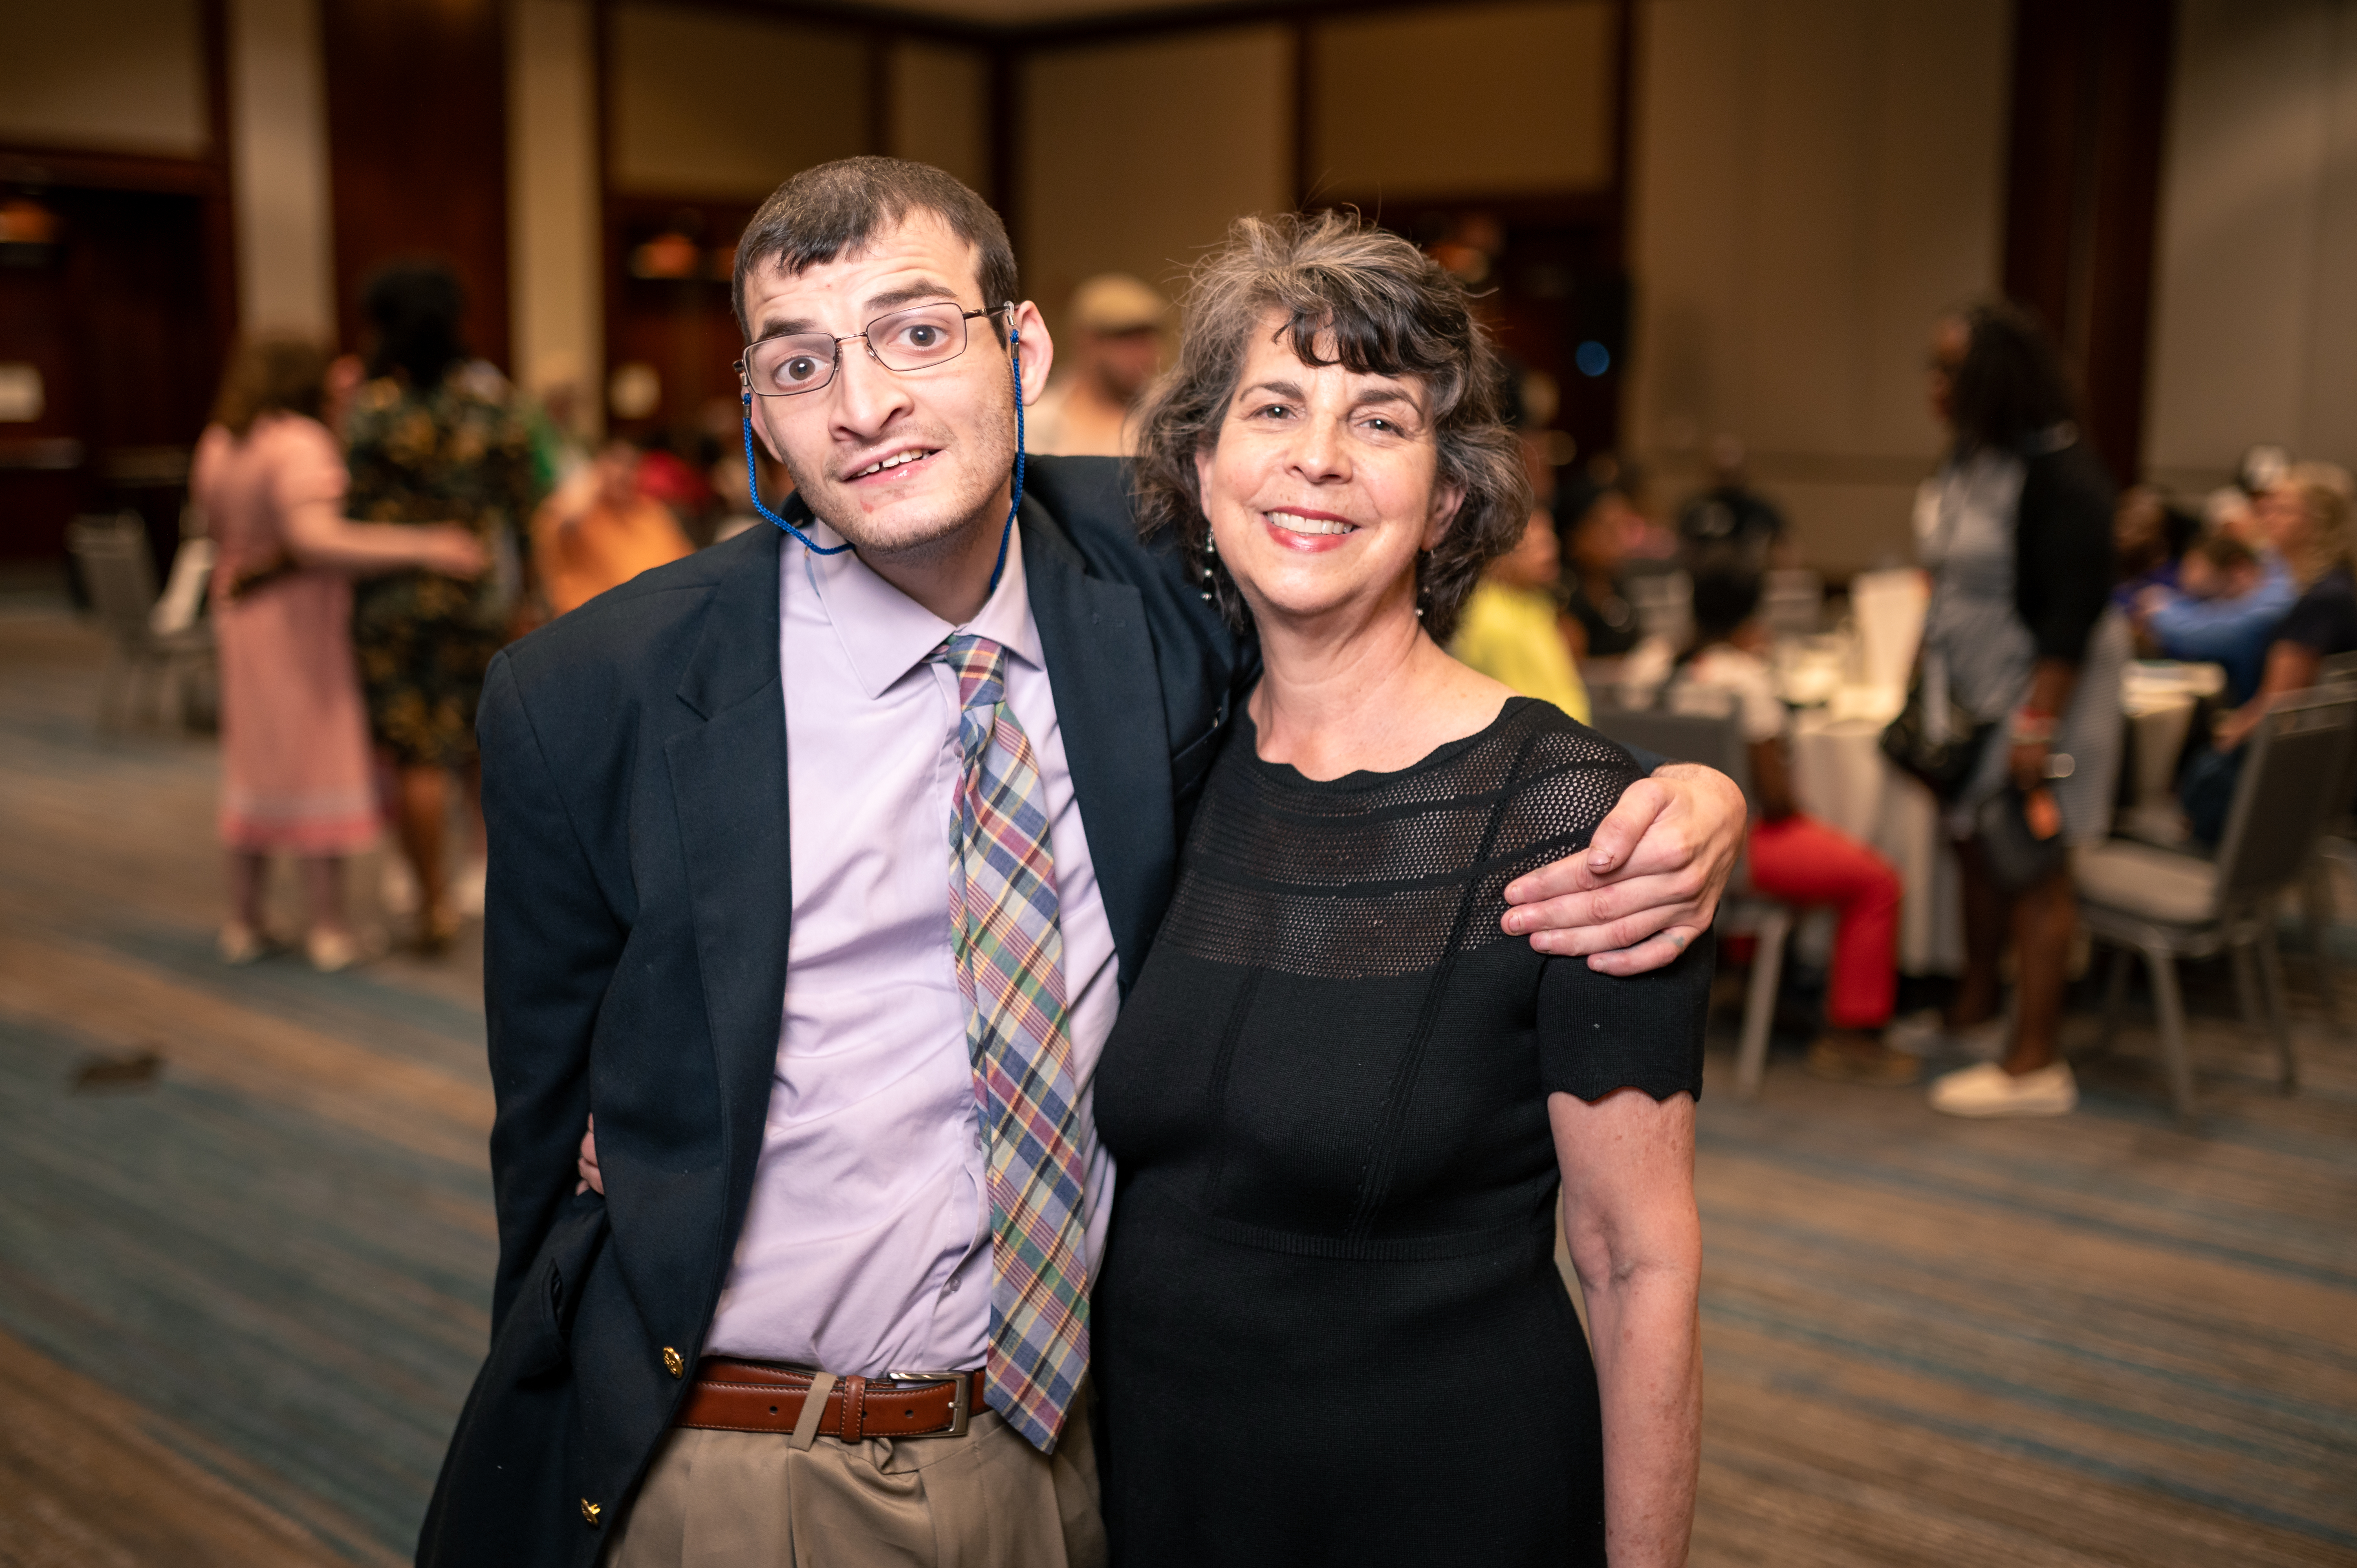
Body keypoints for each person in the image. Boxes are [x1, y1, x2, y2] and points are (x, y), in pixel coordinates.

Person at [416, 158, 1748, 1568]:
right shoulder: (593, 694)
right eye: (801, 361)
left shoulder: (1151, 596)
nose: (864, 405)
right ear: (758, 406)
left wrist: (1695, 793)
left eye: (918, 332)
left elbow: (1365, 633)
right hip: (760, 1461)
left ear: (1024, 349)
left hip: (1082, 1467)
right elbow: (540, 1168)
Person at [1095, 211, 1708, 1568]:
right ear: (1201, 468)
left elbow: (1636, 1260)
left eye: (1379, 419)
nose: (1316, 456)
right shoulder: (1161, 767)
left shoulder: (1573, 815)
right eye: (1273, 406)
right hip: (1161, 1483)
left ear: (1444, 500)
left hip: (1440, 1492)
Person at [192, 336, 487, 971]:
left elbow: (213, 528)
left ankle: (245, 920)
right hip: (298, 622)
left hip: (239, 611)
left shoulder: (222, 438)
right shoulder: (298, 440)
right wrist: (427, 545)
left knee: (254, 761)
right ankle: (328, 927)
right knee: (316, 758)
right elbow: (316, 539)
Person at [1912, 301, 2127, 1119]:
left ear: (1994, 378)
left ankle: (2036, 1062)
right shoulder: (1973, 457)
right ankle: (1975, 1012)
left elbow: (2073, 612)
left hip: (2048, 698)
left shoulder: (2062, 472)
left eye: (1948, 370)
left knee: (2037, 866)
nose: (1933, 385)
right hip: (1977, 696)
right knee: (1977, 847)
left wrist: (2039, 725)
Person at [344, 261, 540, 949]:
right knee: (480, 746)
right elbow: (523, 510)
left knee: (417, 754)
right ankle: (485, 876)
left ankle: (430, 904)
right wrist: (529, 595)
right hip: (476, 597)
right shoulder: (493, 404)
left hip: (393, 604)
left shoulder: (370, 410)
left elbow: (347, 514)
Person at [1668, 566, 1910, 1082]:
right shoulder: (1747, 682)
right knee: (1878, 881)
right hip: (1744, 845)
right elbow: (1776, 800)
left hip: (1675, 841)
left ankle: (1746, 978)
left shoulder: (1664, 668)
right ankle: (1852, 1032)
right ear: (1752, 618)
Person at [2181, 464, 2357, 842]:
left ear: (2318, 522)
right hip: (2317, 769)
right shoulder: (2333, 586)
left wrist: (2226, 737)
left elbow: (2278, 706)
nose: (2267, 517)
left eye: (2283, 509)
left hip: (2288, 777)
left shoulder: (2325, 599)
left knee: (2200, 765)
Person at [1450, 505, 1592, 720]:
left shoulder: (1534, 603)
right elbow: (1523, 712)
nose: (1550, 553)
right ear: (1500, 554)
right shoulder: (1494, 620)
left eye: (1550, 541)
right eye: (1535, 546)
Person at [529, 438, 694, 618]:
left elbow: (686, 567)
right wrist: (588, 486)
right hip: (590, 623)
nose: (624, 473)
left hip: (655, 618)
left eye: (632, 465)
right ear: (598, 466)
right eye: (617, 462)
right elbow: (559, 524)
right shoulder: (579, 514)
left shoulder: (653, 512)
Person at [2135, 531, 2293, 705]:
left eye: (2195, 567)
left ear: (2238, 569)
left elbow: (2220, 631)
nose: (2184, 577)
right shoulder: (2245, 599)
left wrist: (2160, 615)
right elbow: (2208, 613)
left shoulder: (2275, 601)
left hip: (2269, 715)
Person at [1021, 272, 1168, 456]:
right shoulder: (1037, 423)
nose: (1143, 354)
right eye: (1128, 339)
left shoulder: (1168, 422)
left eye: (1148, 340)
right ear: (1089, 341)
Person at [1558, 473, 1643, 660]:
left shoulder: (1617, 584)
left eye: (1624, 526)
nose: (1620, 539)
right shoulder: (1562, 597)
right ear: (1575, 536)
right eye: (1609, 529)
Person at [1676, 434, 1789, 571]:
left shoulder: (1760, 509)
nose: (1727, 482)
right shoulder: (1695, 509)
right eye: (1721, 474)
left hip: (1750, 587)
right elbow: (1680, 551)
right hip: (1705, 586)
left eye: (1732, 473)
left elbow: (1786, 548)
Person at [2109, 484, 2197, 612]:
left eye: (2137, 526)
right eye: (2121, 519)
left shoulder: (2181, 584)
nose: (2122, 532)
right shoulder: (2101, 571)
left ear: (2164, 536)